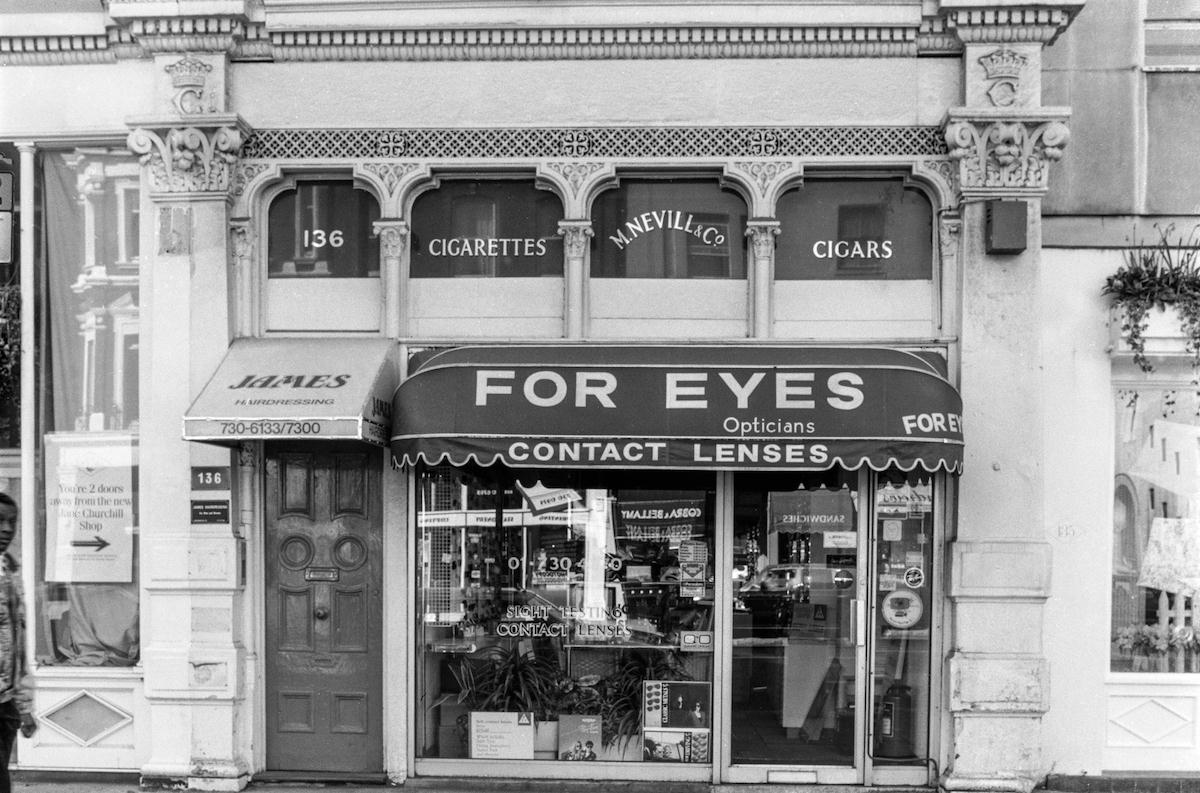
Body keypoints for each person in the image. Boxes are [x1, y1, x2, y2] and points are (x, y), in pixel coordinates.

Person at [0, 493, 35, 793]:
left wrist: (23, 706)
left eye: (12, 521)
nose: (6, 529)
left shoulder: (10, 571)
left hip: (5, 702)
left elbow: (17, 643)